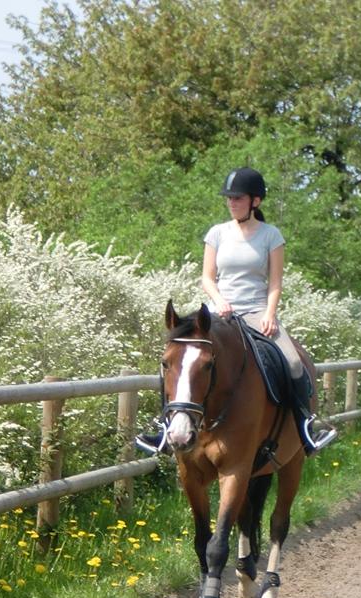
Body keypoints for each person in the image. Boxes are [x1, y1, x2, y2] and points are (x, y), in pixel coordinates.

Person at [138, 167, 336, 456]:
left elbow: (276, 282)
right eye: (229, 198)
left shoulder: (271, 235)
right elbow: (207, 277)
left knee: (294, 363)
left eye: (237, 198)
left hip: (257, 311)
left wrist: (270, 313)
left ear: (255, 201)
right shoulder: (217, 233)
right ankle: (164, 430)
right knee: (179, 359)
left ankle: (306, 427)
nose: (231, 202)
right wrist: (218, 300)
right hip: (221, 314)